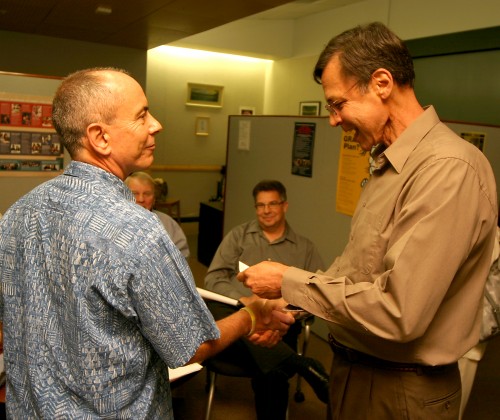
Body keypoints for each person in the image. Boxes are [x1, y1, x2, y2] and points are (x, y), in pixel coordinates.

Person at [237, 22, 498, 420]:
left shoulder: (448, 169)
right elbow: (359, 273)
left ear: (381, 83)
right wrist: (293, 304)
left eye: (338, 104)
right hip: (355, 373)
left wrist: (287, 279)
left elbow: (398, 311)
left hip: (402, 391)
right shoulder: (386, 164)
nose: (333, 120)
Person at [0, 67, 294, 419]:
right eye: (141, 115)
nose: (156, 124)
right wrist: (251, 315)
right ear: (100, 137)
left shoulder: (18, 212)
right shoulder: (137, 229)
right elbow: (189, 345)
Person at [204, 179, 329, 419]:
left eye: (272, 204)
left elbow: (318, 294)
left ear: (285, 206)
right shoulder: (238, 237)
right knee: (216, 311)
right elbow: (213, 278)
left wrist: (285, 308)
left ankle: (287, 361)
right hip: (236, 320)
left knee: (272, 370)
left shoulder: (304, 248)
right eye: (260, 205)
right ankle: (299, 363)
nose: (266, 210)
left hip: (280, 325)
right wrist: (244, 299)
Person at [124, 171, 190, 258]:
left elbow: (182, 258)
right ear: (124, 196)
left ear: (154, 199)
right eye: (135, 193)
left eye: (147, 194)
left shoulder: (168, 224)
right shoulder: (110, 223)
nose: (141, 199)